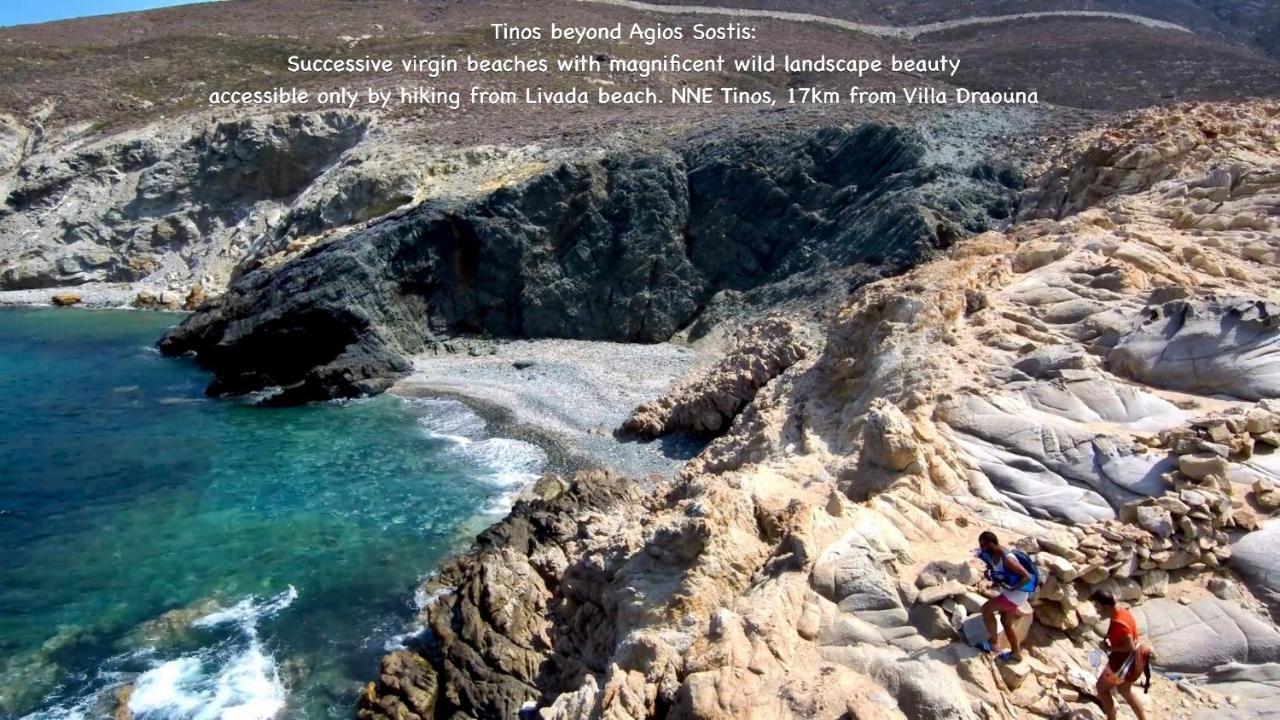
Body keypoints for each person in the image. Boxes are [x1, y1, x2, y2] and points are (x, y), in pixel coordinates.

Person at [1090, 590, 1149, 720]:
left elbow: (1130, 647)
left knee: (1102, 689)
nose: (1097, 609)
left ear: (1106, 606)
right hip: (1135, 661)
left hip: (1121, 665)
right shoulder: (1122, 611)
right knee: (1125, 691)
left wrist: (1110, 647)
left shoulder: (1118, 623)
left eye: (1097, 605)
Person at [976, 530, 1034, 662]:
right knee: (1006, 623)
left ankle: (992, 643)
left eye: (984, 546)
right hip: (1012, 594)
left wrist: (1013, 588)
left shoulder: (1006, 558)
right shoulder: (994, 556)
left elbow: (1027, 577)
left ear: (992, 543)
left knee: (986, 609)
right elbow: (1004, 576)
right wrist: (992, 577)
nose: (982, 549)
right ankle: (1016, 653)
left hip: (1014, 595)